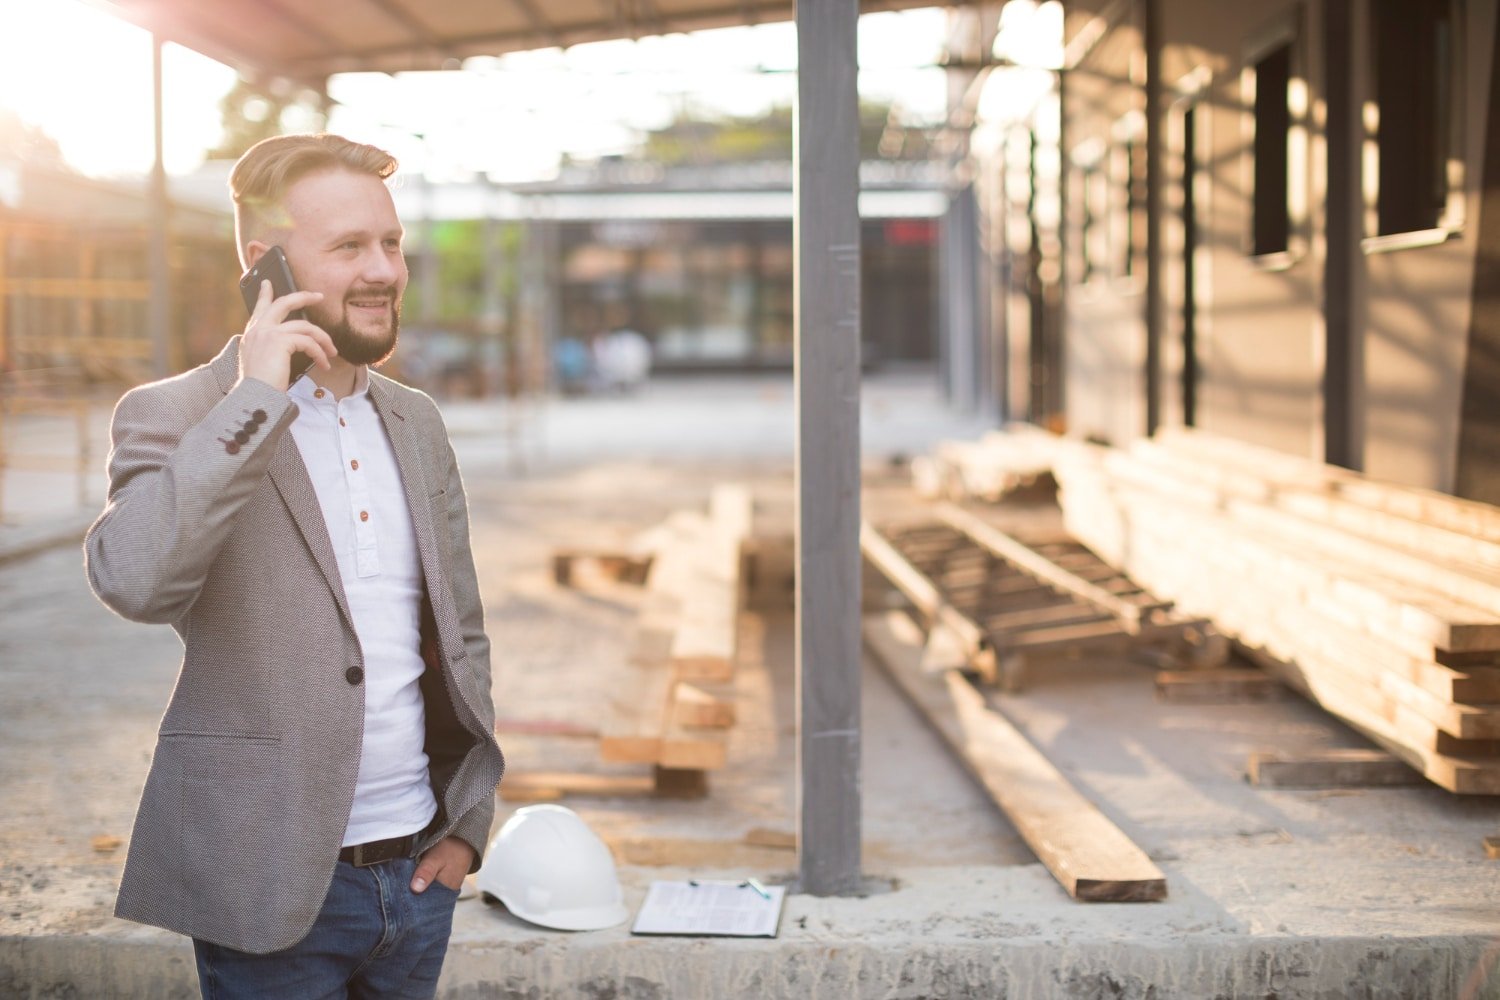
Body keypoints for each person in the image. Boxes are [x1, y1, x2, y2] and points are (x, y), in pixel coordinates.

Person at [84, 133, 504, 999]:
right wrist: (256, 401)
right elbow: (133, 577)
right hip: (271, 888)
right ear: (263, 262)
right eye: (349, 247)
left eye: (390, 243)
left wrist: (467, 823)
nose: (384, 268)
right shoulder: (180, 414)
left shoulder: (415, 420)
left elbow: (461, 631)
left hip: (421, 875)